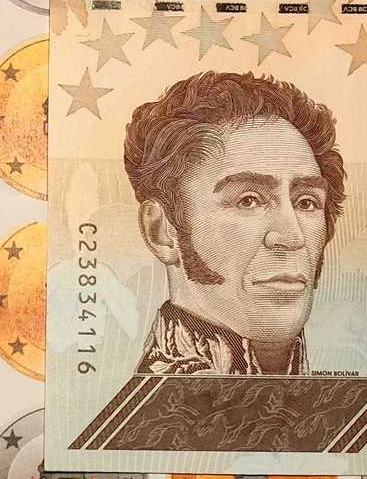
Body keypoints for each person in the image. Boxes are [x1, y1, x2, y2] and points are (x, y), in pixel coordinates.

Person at [123, 70, 345, 378]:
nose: (292, 236)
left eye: (306, 202)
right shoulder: (151, 407)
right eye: (248, 200)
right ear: (161, 232)